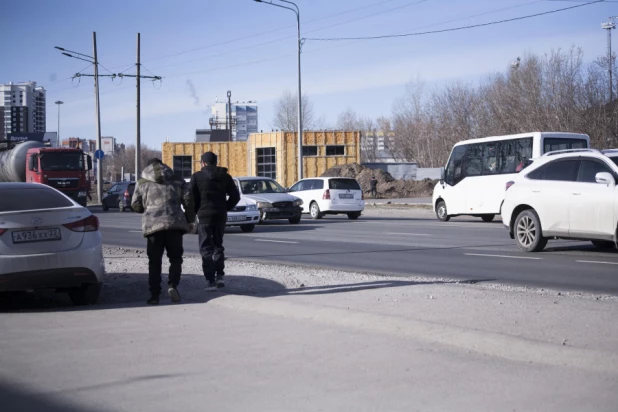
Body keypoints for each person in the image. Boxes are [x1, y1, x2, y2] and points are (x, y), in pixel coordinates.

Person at [131, 158, 196, 305]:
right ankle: (173, 285)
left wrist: (146, 209)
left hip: (153, 226)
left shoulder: (142, 181)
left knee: (154, 262)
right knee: (175, 258)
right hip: (174, 225)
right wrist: (189, 219)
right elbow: (188, 200)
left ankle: (154, 295)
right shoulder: (177, 179)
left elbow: (135, 204)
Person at [189, 152, 240, 291]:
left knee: (205, 248)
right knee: (218, 245)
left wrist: (194, 212)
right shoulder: (225, 176)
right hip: (220, 216)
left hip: (204, 217)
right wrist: (225, 207)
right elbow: (235, 196)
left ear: (203, 163)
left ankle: (210, 281)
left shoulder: (196, 177)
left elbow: (191, 198)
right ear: (215, 162)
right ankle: (220, 276)